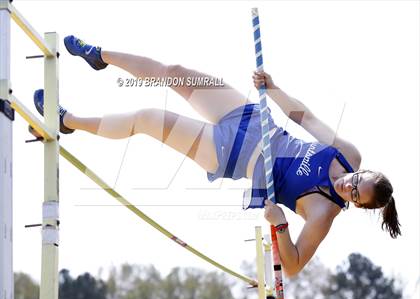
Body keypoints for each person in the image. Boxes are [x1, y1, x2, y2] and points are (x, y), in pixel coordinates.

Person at [33, 35, 401, 277]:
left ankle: (69, 121)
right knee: (174, 73)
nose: (346, 184)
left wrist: (281, 224)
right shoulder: (349, 153)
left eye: (354, 193)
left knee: (147, 119)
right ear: (361, 170)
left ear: (356, 204)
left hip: (229, 154)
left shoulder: (322, 214)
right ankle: (100, 56)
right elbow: (305, 118)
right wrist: (274, 89)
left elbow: (293, 265)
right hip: (252, 117)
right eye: (356, 180)